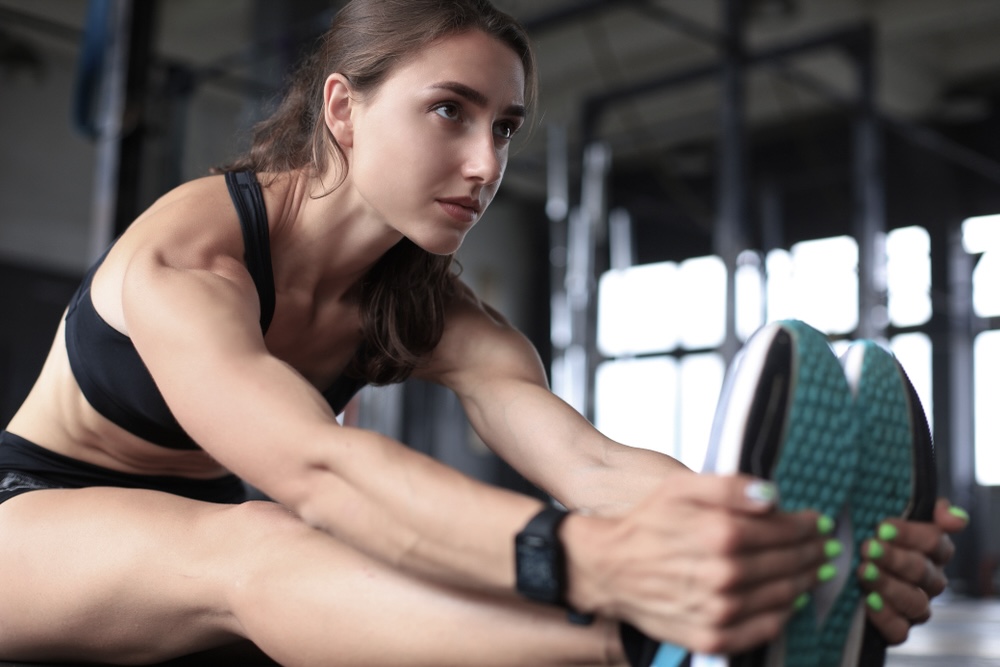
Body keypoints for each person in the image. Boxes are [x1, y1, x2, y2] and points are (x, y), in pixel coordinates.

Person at [0, 0, 967, 665]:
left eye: (503, 127)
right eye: (448, 112)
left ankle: (746, 610)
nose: (482, 162)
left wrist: (766, 535)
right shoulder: (188, 259)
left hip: (187, 537)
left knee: (315, 548)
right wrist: (598, 568)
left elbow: (586, 466)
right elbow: (318, 472)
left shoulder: (431, 308)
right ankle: (650, 648)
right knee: (261, 541)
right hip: (33, 525)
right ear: (344, 106)